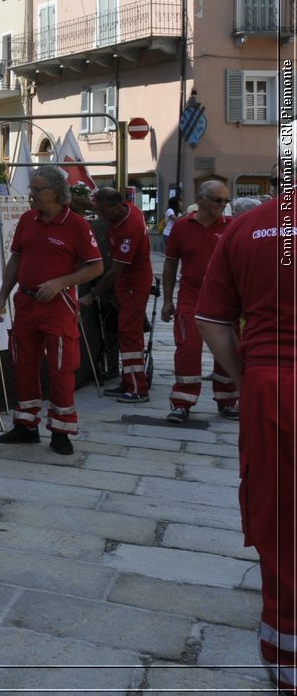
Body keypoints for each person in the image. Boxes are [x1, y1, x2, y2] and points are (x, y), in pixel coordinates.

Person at [196, 186, 297, 693]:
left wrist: (247, 377)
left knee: (279, 524)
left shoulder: (250, 225)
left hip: (270, 385)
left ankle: (287, 667)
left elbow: (212, 320)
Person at [0, 165, 104, 455]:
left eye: (37, 189)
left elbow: (96, 266)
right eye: (32, 189)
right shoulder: (28, 220)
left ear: (56, 192)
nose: (32, 194)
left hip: (57, 306)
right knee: (23, 364)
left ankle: (61, 431)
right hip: (26, 304)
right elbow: (16, 259)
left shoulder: (76, 225)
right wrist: (2, 296)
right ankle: (26, 426)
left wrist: (61, 283)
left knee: (61, 367)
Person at [160, 181, 233, 423]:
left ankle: (228, 400)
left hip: (224, 299)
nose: (223, 206)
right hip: (191, 296)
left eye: (226, 201)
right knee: (187, 349)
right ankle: (182, 403)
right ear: (200, 200)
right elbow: (170, 264)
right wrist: (167, 300)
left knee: (227, 349)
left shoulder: (232, 227)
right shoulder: (181, 227)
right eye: (217, 200)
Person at [87, 187, 155, 403]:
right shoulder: (127, 209)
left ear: (117, 206)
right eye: (99, 211)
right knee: (126, 332)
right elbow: (93, 205)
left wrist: (93, 293)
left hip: (133, 284)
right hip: (128, 283)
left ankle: (137, 387)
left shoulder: (130, 228)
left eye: (103, 212)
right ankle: (128, 381)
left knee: (130, 333)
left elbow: (115, 271)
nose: (101, 216)